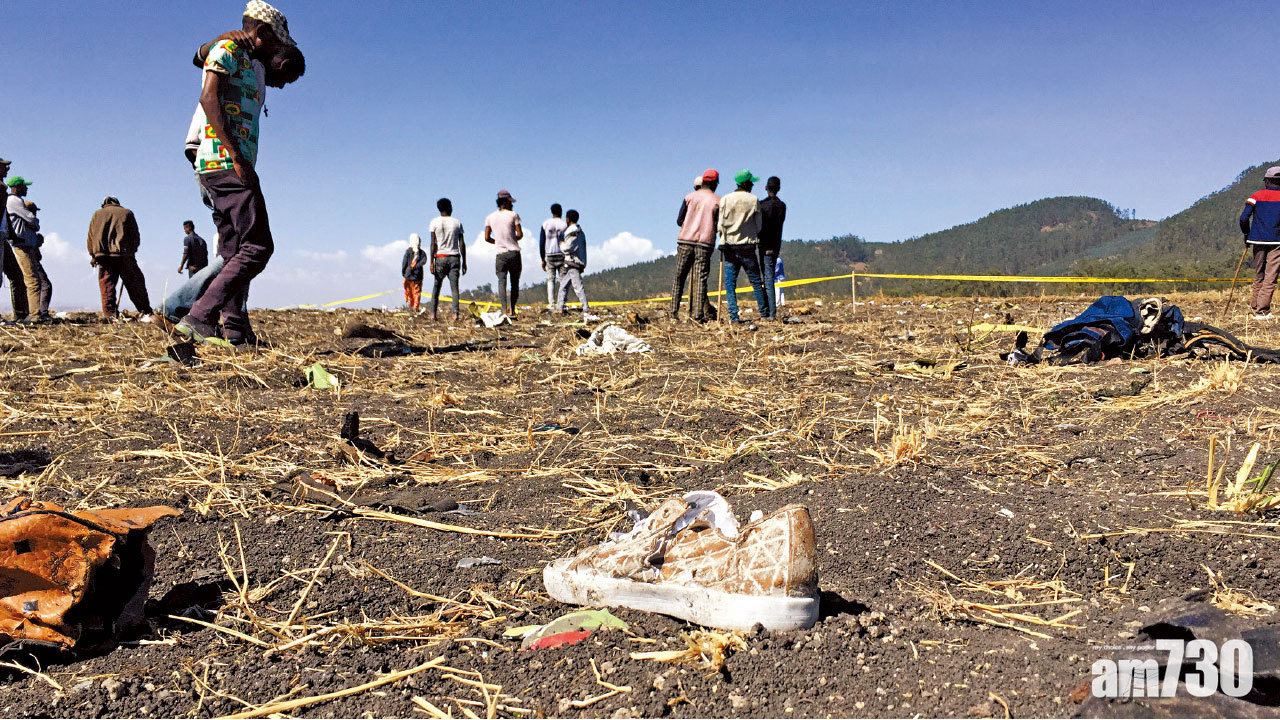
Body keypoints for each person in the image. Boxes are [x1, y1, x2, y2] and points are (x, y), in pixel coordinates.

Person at [174, 14, 305, 348]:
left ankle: (233, 329)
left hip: (227, 163)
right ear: (261, 34)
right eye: (280, 51)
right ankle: (198, 316)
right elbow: (208, 95)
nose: (281, 81)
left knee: (232, 250)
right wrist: (235, 156)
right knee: (259, 247)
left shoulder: (253, 63)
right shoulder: (230, 46)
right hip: (225, 162)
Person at [87, 197, 154, 321]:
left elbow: (91, 236)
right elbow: (135, 235)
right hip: (124, 254)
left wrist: (93, 255)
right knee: (135, 283)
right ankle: (145, 311)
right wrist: (132, 250)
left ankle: (110, 315)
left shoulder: (97, 214)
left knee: (107, 286)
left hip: (103, 256)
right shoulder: (127, 213)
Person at [717, 169, 767, 324]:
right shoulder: (754, 200)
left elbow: (720, 225)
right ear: (746, 183)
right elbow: (759, 226)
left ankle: (734, 316)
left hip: (729, 246)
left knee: (730, 284)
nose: (752, 184)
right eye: (751, 182)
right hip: (747, 246)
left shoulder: (725, 199)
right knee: (756, 281)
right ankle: (764, 314)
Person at [670, 169, 720, 322]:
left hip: (685, 241)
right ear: (715, 184)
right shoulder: (718, 201)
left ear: (703, 182)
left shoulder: (689, 198)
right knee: (700, 279)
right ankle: (698, 315)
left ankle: (673, 313)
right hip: (704, 244)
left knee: (679, 277)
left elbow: (679, 220)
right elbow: (718, 225)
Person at [6, 177, 51, 323]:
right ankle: (34, 315)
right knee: (32, 280)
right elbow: (32, 221)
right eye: (24, 186)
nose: (27, 189)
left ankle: (31, 313)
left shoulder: (15, 201)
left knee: (31, 280)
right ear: (17, 187)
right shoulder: (14, 201)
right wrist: (33, 222)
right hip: (22, 245)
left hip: (25, 244)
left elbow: (33, 222)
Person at [1241, 166, 1280, 319]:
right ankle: (1262, 311)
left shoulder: (1256, 196)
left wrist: (1247, 234)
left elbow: (1244, 218)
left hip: (1257, 239)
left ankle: (1255, 307)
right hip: (1277, 241)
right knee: (1270, 276)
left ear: (1267, 181)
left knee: (1259, 275)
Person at [484, 189, 523, 316]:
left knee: (501, 282)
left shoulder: (490, 217)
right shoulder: (513, 215)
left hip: (500, 255)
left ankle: (503, 310)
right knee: (514, 282)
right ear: (505, 202)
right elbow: (520, 234)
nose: (512, 205)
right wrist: (511, 239)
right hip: (513, 253)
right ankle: (512, 309)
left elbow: (486, 237)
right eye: (510, 202)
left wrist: (497, 241)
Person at [0, 159, 28, 323]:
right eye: (3, 165)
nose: (7, 168)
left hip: (3, 236)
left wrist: (12, 234)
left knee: (16, 275)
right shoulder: (1, 188)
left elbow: (4, 214)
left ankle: (21, 315)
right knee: (14, 275)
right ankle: (20, 315)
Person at [428, 197, 466, 321]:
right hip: (454, 257)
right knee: (454, 288)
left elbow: (433, 243)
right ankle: (455, 314)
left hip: (440, 258)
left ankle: (433, 314)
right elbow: (462, 244)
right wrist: (464, 261)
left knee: (436, 287)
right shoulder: (457, 222)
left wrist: (431, 262)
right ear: (449, 207)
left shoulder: (434, 222)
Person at [757, 176, 786, 319]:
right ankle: (770, 310)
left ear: (766, 188)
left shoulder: (762, 206)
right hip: (775, 246)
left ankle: (770, 312)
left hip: (764, 246)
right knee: (769, 277)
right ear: (779, 188)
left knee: (767, 278)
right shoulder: (782, 206)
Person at [556, 209, 590, 319]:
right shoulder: (580, 231)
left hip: (573, 262)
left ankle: (586, 308)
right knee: (564, 285)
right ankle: (560, 307)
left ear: (567, 219)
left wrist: (561, 244)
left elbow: (567, 248)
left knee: (576, 286)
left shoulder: (572, 232)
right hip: (576, 262)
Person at [540, 204, 566, 311]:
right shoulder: (564, 224)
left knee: (550, 280)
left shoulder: (545, 224)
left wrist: (542, 258)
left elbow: (542, 242)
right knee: (563, 280)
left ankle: (551, 304)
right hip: (562, 254)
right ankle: (561, 304)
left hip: (549, 254)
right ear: (560, 211)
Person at [401, 233, 426, 312]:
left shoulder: (408, 252)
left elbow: (404, 263)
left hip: (409, 276)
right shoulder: (422, 253)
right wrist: (416, 267)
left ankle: (413, 307)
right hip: (417, 277)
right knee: (416, 293)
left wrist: (404, 272)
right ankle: (415, 307)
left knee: (410, 292)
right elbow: (423, 262)